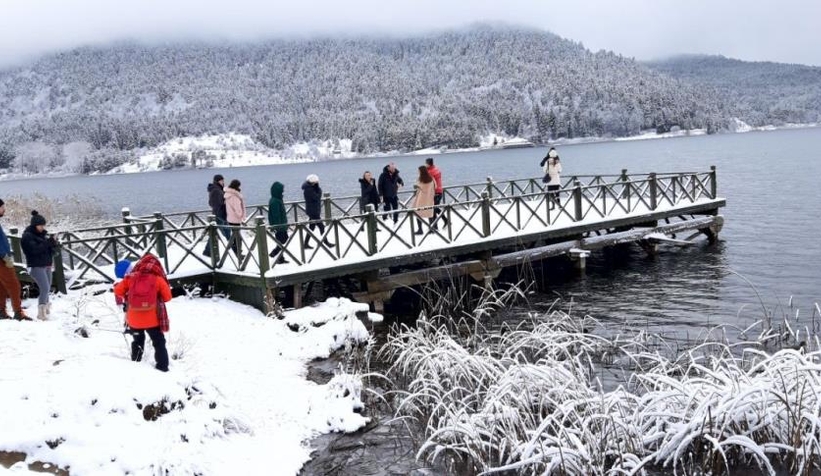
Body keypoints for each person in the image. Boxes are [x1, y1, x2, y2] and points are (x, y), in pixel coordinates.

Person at [114, 253, 172, 372]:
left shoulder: (130, 278)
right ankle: (162, 367)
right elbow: (167, 297)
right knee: (159, 342)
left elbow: (117, 290)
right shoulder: (158, 279)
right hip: (153, 320)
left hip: (134, 319)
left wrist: (129, 293)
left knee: (137, 341)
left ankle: (136, 364)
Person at [21, 211, 59, 320]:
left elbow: (46, 249)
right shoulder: (27, 236)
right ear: (34, 225)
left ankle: (46, 310)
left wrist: (53, 244)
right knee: (45, 288)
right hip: (35, 266)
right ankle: (41, 313)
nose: (42, 227)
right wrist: (48, 242)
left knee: (48, 287)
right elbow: (34, 250)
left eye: (43, 225)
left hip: (46, 265)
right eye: (40, 225)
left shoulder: (42, 236)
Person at [0, 199, 29, 321]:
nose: (4, 209)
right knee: (14, 285)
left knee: (1, 285)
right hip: (1, 259)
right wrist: (5, 256)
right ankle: (18, 312)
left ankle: (1, 311)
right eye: (2, 207)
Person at [301, 174, 334, 249]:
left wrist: (317, 189)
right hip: (313, 212)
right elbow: (316, 197)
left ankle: (305, 244)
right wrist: (319, 190)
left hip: (313, 210)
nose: (317, 183)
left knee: (311, 227)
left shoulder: (310, 188)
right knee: (321, 227)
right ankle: (326, 242)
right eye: (316, 182)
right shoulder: (309, 189)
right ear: (313, 182)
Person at [203, 174, 231, 257]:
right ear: (217, 181)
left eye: (223, 180)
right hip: (219, 215)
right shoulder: (216, 190)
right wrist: (222, 205)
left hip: (221, 214)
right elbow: (213, 203)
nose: (223, 182)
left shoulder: (219, 189)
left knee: (216, 233)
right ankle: (235, 252)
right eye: (221, 181)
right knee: (226, 233)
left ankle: (207, 251)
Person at [267, 181, 289, 264]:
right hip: (279, 226)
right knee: (282, 242)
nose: (283, 191)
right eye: (281, 190)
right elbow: (276, 216)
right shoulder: (275, 201)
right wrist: (279, 226)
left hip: (282, 225)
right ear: (277, 191)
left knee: (282, 241)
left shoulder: (278, 199)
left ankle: (280, 258)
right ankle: (274, 255)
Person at [224, 179, 246, 258]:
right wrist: (240, 215)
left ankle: (236, 252)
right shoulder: (234, 196)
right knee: (238, 238)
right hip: (236, 218)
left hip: (230, 218)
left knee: (235, 236)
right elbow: (237, 208)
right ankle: (238, 253)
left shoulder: (228, 195)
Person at [411, 165, 436, 235]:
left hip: (421, 199)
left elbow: (417, 186)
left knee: (418, 213)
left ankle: (420, 229)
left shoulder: (420, 179)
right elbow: (435, 186)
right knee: (429, 213)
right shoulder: (431, 178)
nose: (418, 172)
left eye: (418, 171)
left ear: (421, 171)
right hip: (429, 198)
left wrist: (415, 186)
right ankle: (431, 229)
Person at [425, 158, 445, 229]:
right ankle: (443, 222)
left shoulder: (430, 172)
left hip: (434, 192)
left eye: (426, 163)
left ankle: (434, 226)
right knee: (434, 208)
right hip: (439, 191)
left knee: (432, 209)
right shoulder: (436, 169)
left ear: (428, 164)